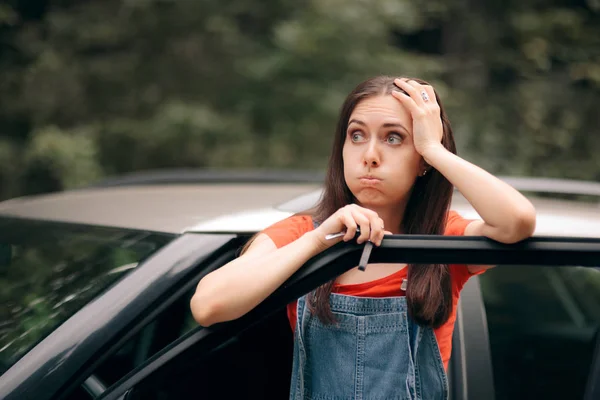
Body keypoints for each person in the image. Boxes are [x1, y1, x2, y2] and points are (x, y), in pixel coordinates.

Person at [190, 76, 536, 399]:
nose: (369, 155)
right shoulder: (301, 233)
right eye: (356, 136)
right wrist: (318, 242)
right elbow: (208, 306)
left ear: (421, 161)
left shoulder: (443, 238)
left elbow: (516, 221)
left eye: (394, 138)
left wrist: (435, 148)